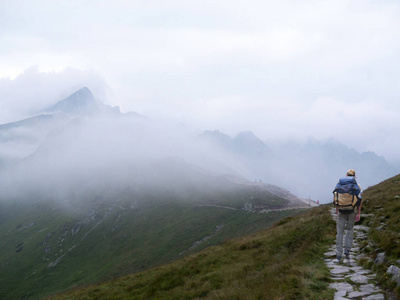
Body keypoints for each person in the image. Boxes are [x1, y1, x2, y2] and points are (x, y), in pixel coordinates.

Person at [333, 169, 362, 262]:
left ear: (346, 175)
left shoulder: (339, 184)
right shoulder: (357, 186)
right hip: (352, 211)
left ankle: (338, 254)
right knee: (349, 230)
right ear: (354, 176)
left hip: (341, 211)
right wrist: (358, 213)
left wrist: (337, 210)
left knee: (340, 232)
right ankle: (347, 249)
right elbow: (359, 201)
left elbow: (335, 198)